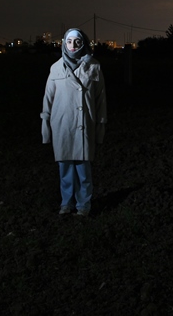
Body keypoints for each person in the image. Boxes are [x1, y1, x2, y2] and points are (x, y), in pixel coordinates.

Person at [40, 28, 107, 216]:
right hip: (62, 125)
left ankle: (84, 204)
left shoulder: (94, 67)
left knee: (83, 167)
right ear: (64, 43)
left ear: (83, 43)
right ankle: (66, 203)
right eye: (69, 42)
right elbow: (48, 99)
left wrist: (101, 126)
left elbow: (101, 100)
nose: (73, 46)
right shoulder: (55, 68)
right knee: (65, 168)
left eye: (77, 42)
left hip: (84, 124)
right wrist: (45, 126)